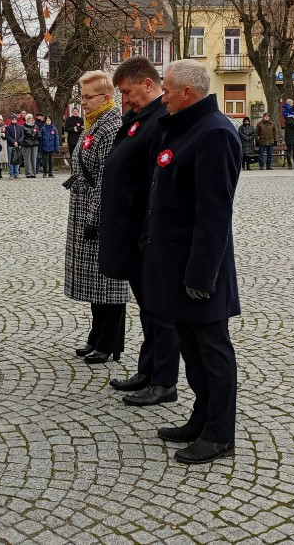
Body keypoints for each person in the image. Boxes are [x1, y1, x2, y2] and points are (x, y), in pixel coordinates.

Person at [142, 59, 241, 466]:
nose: (161, 98)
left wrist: (202, 274)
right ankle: (200, 417)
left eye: (166, 90)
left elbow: (215, 213)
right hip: (175, 263)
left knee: (212, 351)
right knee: (191, 348)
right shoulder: (186, 127)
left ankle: (220, 432)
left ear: (187, 92)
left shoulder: (215, 133)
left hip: (201, 269)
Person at [99, 56, 179, 406]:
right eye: (122, 94)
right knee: (147, 309)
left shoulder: (160, 120)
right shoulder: (140, 118)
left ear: (149, 84)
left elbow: (156, 182)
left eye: (129, 92)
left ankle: (164, 381)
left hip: (147, 235)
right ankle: (147, 371)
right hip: (130, 233)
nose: (125, 100)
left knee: (160, 312)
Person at [64, 70, 127, 365]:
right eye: (82, 96)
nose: (83, 102)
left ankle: (109, 341)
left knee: (107, 282)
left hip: (98, 212)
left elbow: (105, 177)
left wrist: (94, 217)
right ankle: (96, 335)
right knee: (92, 280)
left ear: (106, 97)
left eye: (88, 97)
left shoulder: (111, 125)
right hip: (85, 208)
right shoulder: (95, 123)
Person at [5, 115, 24, 179]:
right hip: (11, 145)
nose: (14, 121)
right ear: (11, 120)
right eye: (13, 119)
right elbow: (7, 136)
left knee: (17, 160)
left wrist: (18, 142)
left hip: (18, 146)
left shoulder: (20, 127)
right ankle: (11, 173)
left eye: (15, 119)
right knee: (11, 160)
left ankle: (16, 173)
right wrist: (13, 142)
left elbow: (22, 135)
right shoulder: (8, 127)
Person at [21, 113, 40, 179]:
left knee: (33, 159)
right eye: (29, 118)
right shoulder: (23, 126)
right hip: (27, 144)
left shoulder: (35, 126)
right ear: (26, 119)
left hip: (34, 144)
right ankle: (28, 173)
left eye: (31, 118)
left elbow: (39, 134)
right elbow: (22, 136)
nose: (30, 119)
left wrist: (36, 136)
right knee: (27, 160)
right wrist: (29, 137)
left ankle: (33, 173)